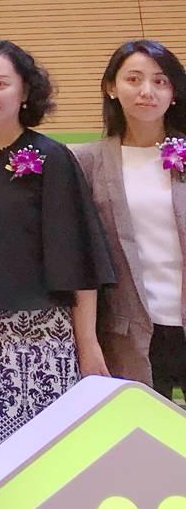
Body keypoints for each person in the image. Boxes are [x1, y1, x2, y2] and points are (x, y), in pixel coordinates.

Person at [0, 38, 115, 457]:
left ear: (24, 90)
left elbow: (77, 254)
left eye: (0, 83)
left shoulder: (50, 157)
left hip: (38, 335)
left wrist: (87, 342)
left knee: (45, 457)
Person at [72, 39, 186, 397]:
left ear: (174, 93)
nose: (147, 91)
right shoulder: (86, 161)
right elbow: (81, 257)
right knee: (143, 429)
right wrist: (87, 341)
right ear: (111, 87)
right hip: (129, 332)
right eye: (133, 79)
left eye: (160, 81)